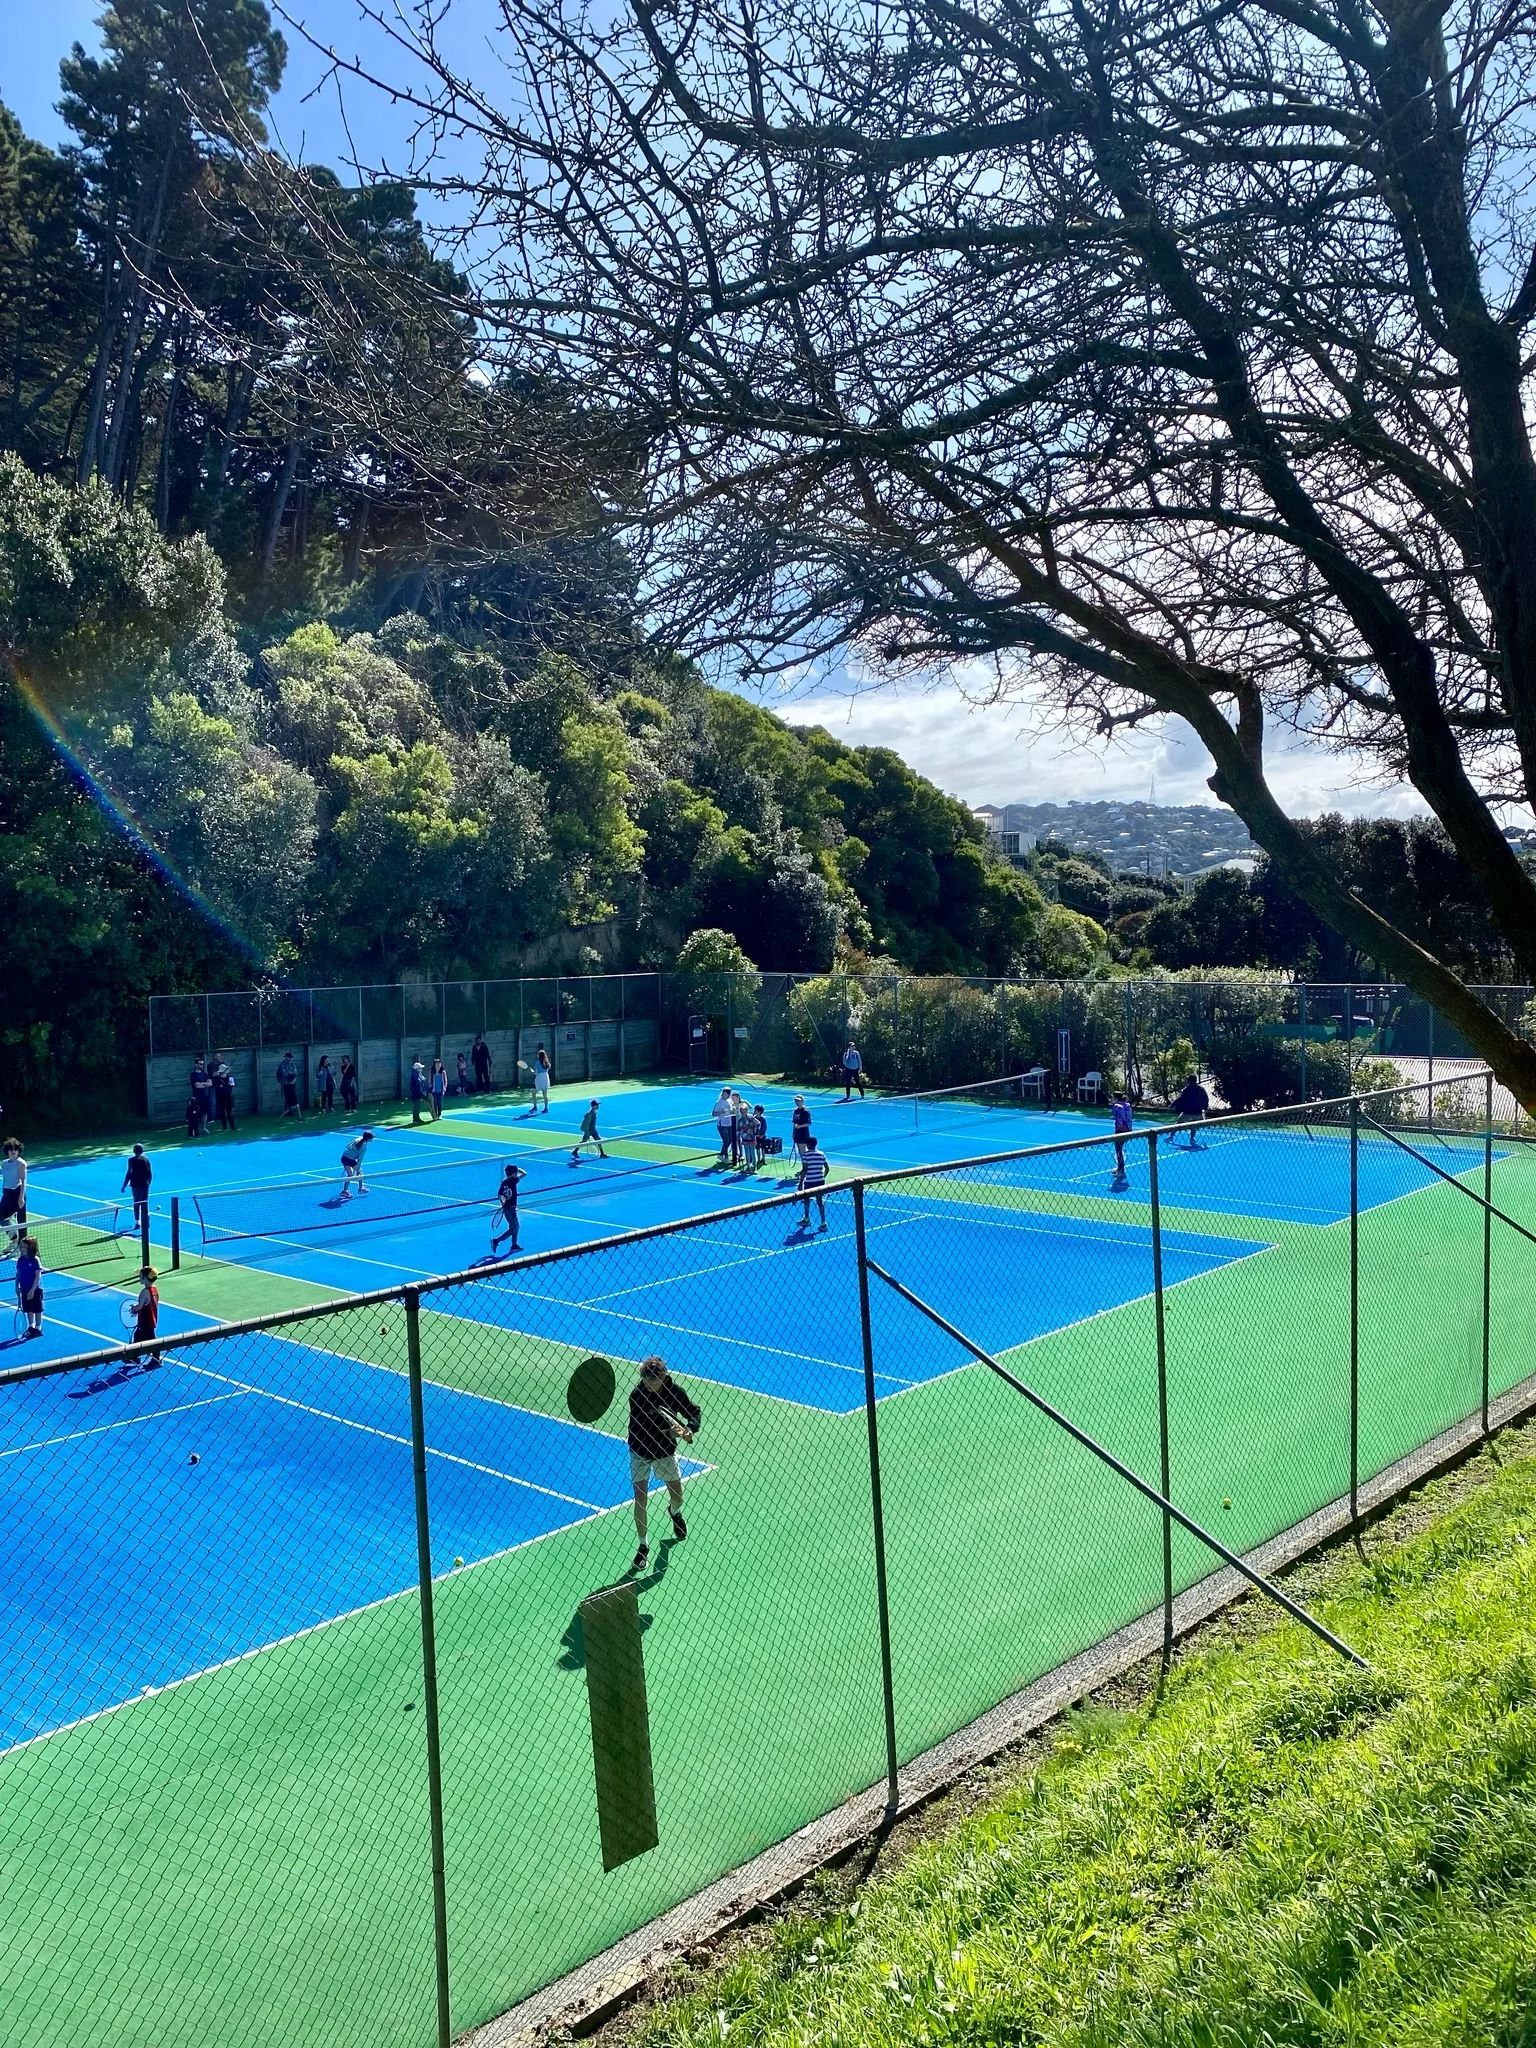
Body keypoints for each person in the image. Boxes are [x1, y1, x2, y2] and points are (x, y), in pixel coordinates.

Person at [627, 1355, 700, 1572]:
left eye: (652, 1380)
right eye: (645, 1379)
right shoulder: (637, 1396)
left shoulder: (674, 1392)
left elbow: (693, 1411)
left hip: (664, 1453)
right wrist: (672, 1433)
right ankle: (643, 1546)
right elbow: (645, 1431)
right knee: (640, 1500)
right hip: (640, 1450)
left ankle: (674, 1512)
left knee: (678, 1497)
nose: (648, 1384)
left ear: (663, 1377)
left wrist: (689, 1429)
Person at [491, 1161, 527, 1253]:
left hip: (507, 1208)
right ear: (514, 1173)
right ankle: (496, 1241)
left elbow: (499, 1195)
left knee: (516, 1226)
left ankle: (514, 1245)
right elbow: (524, 1173)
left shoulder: (504, 1182)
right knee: (514, 1228)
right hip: (510, 1209)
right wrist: (518, 1169)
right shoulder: (514, 1181)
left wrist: (502, 1202)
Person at [797, 1131, 830, 1230]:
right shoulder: (821, 1154)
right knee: (820, 1201)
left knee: (806, 1199)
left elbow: (804, 1169)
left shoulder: (806, 1155)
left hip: (809, 1182)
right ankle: (823, 1222)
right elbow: (827, 1168)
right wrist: (822, 1177)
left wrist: (801, 1182)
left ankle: (807, 1219)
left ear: (807, 1145)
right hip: (820, 1181)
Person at [131, 1265, 162, 1368]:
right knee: (137, 1336)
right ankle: (135, 1357)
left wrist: (134, 1309)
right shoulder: (155, 1290)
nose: (139, 1278)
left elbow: (140, 1306)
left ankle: (156, 1360)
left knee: (151, 1340)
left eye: (140, 1276)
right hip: (152, 1319)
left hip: (145, 1321)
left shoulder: (144, 1292)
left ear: (145, 1278)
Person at [1, 1139, 29, 1253]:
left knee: (22, 1222)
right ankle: (14, 1238)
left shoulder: (21, 1163)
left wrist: (21, 1197)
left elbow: (23, 1181)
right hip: (7, 1194)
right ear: (7, 1151)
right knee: (1, 1218)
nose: (13, 1151)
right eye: (11, 1149)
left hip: (17, 1193)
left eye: (15, 1149)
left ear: (18, 1151)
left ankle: (22, 1247)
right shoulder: (4, 1163)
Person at [1167, 1075, 1210, 1148]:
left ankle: (1171, 1136)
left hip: (1188, 1111)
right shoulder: (1201, 1089)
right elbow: (1206, 1099)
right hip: (1197, 1111)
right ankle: (1192, 1138)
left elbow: (1180, 1098)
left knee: (1178, 1123)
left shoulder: (1187, 1089)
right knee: (1194, 1125)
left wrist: (1172, 1105)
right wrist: (1204, 1108)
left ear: (1189, 1081)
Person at [14, 1234, 43, 1338]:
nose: (22, 1249)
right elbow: (18, 1275)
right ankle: (31, 1327)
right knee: (29, 1310)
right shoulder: (20, 1260)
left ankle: (38, 1329)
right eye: (21, 1246)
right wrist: (16, 1287)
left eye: (25, 1247)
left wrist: (32, 1290)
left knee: (37, 1310)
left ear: (31, 1248)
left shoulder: (35, 1260)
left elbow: (37, 1276)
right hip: (24, 1289)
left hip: (35, 1290)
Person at [120, 1144, 152, 1235]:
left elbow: (129, 1173)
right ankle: (146, 1219)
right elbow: (149, 1173)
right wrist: (148, 1183)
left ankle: (138, 1222)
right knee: (144, 1203)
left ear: (134, 1151)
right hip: (145, 1185)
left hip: (135, 1185)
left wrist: (124, 1185)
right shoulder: (146, 1160)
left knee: (136, 1203)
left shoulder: (131, 1160)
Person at [340, 1129, 375, 1196]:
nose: (373, 1139)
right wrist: (358, 1170)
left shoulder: (358, 1139)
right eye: (372, 1138)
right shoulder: (364, 1147)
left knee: (350, 1175)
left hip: (344, 1158)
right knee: (360, 1171)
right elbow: (360, 1160)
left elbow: (347, 1146)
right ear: (368, 1138)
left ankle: (345, 1191)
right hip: (350, 1160)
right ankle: (361, 1188)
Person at [1110, 1090, 1134, 1178]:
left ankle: (1121, 1170)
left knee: (1118, 1150)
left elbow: (1118, 1117)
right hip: (1128, 1128)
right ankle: (1119, 1168)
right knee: (1119, 1149)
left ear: (1115, 1098)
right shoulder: (1127, 1105)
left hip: (1120, 1129)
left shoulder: (1116, 1106)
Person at [190, 1059, 214, 1135]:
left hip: (205, 1095)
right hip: (197, 1096)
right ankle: (196, 1129)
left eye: (203, 1064)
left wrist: (202, 1084)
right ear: (196, 1064)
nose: (202, 1065)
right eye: (200, 1064)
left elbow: (210, 1084)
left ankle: (204, 1127)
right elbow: (197, 1086)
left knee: (205, 1112)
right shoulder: (193, 1075)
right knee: (197, 1113)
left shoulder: (204, 1074)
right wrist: (205, 1084)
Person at [713, 1085, 736, 1165]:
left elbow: (732, 1109)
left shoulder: (729, 1101)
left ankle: (722, 1154)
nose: (729, 1095)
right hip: (722, 1124)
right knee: (726, 1140)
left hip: (729, 1123)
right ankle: (724, 1156)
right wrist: (720, 1112)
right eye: (727, 1093)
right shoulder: (719, 1102)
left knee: (729, 1140)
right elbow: (713, 1113)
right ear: (723, 1093)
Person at [276, 1050, 301, 1119]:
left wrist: (291, 1076)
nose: (290, 1059)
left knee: (293, 1100)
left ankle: (296, 1115)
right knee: (289, 1099)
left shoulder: (292, 1064)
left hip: (292, 1083)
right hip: (286, 1083)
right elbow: (285, 1074)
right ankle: (283, 1115)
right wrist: (291, 1075)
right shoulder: (282, 1065)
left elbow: (295, 1072)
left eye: (290, 1058)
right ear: (285, 1057)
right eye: (289, 1057)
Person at [212, 1060, 237, 1131]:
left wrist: (224, 1086)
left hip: (228, 1097)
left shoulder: (230, 1077)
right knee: (222, 1113)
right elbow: (215, 1086)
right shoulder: (216, 1079)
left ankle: (233, 1127)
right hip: (220, 1097)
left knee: (229, 1113)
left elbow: (231, 1086)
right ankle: (224, 1127)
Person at [790, 1094, 812, 1161]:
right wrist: (793, 1134)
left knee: (803, 1152)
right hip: (797, 1134)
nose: (797, 1102)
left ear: (802, 1101)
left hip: (803, 1134)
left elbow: (808, 1123)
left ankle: (806, 1167)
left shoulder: (805, 1111)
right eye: (796, 1101)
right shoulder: (795, 1111)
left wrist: (800, 1126)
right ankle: (805, 1167)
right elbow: (794, 1123)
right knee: (800, 1151)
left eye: (798, 1101)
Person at [531, 1044, 552, 1112]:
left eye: (538, 1054)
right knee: (545, 1094)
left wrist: (532, 1071)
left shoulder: (537, 1063)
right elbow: (546, 1070)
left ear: (539, 1056)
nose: (537, 1055)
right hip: (546, 1078)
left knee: (533, 1092)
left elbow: (535, 1073)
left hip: (539, 1078)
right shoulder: (547, 1063)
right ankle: (546, 1108)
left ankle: (535, 1107)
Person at [409, 1058, 427, 1125]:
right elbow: (417, 1084)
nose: (421, 1069)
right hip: (416, 1093)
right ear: (417, 1069)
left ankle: (417, 1118)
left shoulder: (418, 1074)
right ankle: (415, 1119)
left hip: (418, 1093)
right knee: (416, 1106)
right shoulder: (414, 1075)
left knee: (418, 1106)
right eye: (420, 1068)